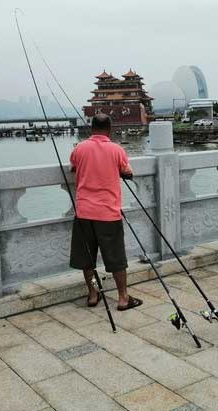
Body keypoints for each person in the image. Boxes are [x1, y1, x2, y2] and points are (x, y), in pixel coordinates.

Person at [69, 114, 143, 311]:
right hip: (108, 213)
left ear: (91, 128)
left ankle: (93, 294)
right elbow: (127, 172)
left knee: (87, 259)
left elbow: (73, 168)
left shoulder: (79, 148)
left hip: (84, 212)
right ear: (109, 129)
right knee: (116, 258)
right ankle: (123, 297)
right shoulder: (117, 150)